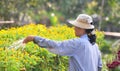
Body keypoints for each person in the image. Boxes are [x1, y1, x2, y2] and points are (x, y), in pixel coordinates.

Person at [23, 14, 102, 71]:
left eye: (76, 26)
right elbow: (99, 67)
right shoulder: (95, 45)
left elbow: (57, 46)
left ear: (82, 28)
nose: (74, 28)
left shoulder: (79, 43)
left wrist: (34, 38)